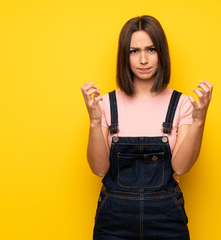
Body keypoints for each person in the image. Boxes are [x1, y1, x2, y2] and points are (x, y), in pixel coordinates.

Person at [81, 15, 213, 240]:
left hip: (166, 220)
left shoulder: (181, 104)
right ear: (125, 56)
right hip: (114, 222)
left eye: (151, 49)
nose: (143, 59)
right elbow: (99, 169)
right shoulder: (105, 104)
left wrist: (199, 121)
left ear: (161, 53)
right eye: (134, 51)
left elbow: (180, 167)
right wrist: (94, 122)